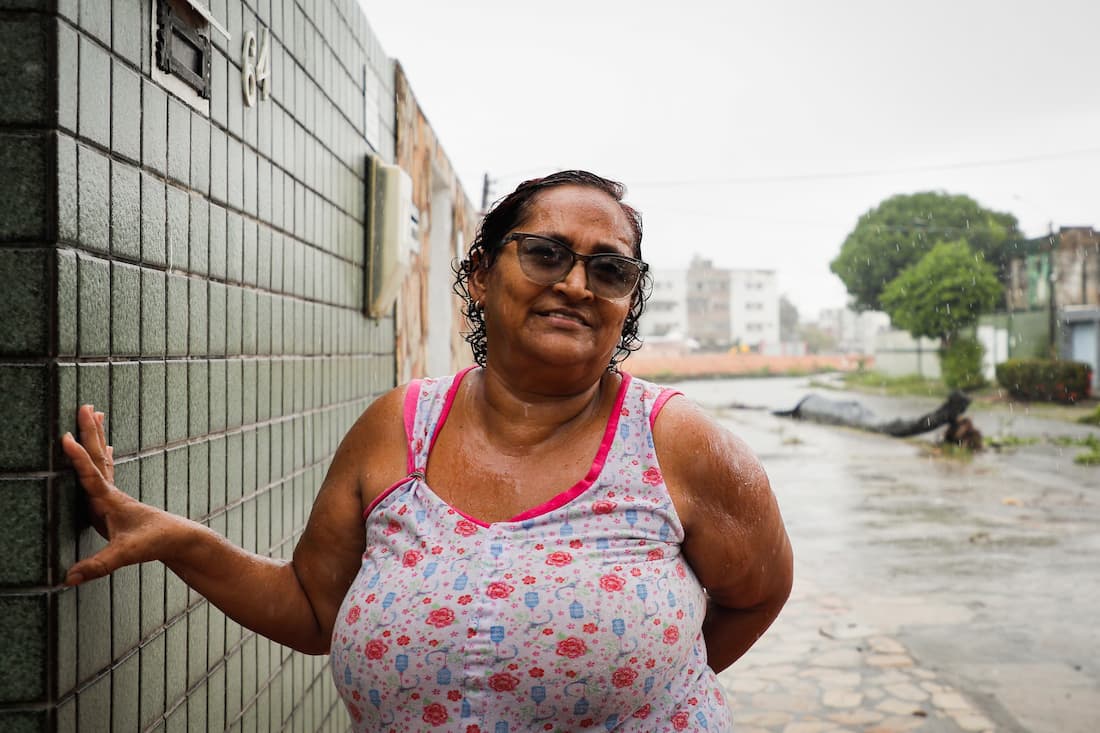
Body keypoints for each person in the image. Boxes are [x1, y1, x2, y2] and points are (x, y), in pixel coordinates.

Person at [63, 170, 793, 731]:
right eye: (545, 254)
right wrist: (176, 540)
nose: (575, 283)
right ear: (480, 274)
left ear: (627, 302)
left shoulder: (676, 443)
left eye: (610, 270)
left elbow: (758, 592)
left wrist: (641, 687)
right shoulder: (398, 428)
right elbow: (314, 608)